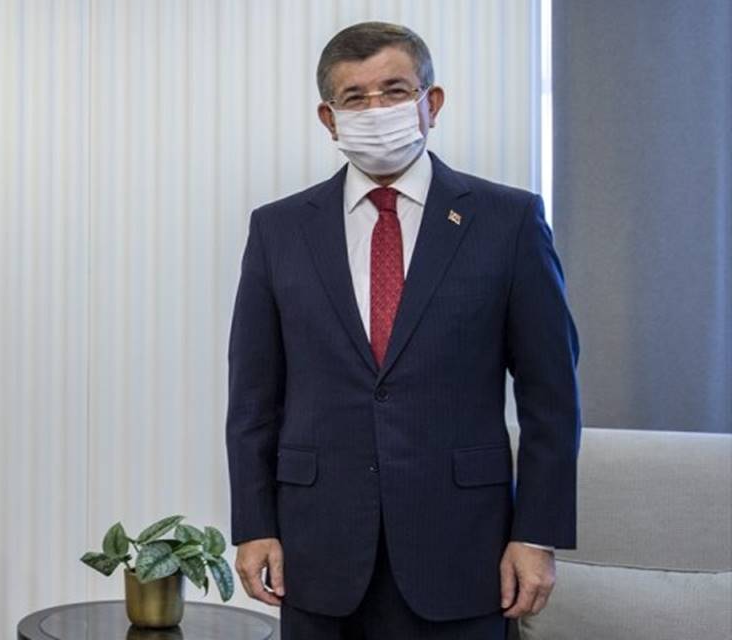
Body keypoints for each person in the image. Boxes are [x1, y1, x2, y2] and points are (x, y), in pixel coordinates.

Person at [225, 21, 580, 639]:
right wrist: (255, 525)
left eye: (394, 91)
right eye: (354, 98)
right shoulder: (279, 229)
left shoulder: (509, 221)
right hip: (318, 548)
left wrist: (536, 534)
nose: (376, 110)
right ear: (329, 119)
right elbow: (254, 398)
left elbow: (551, 398)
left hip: (463, 548)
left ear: (430, 103)